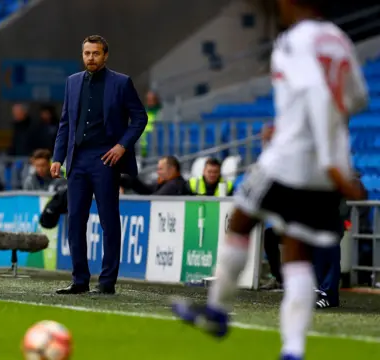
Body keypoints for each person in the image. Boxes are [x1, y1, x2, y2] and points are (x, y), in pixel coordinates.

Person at [171, 1, 369, 359]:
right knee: (297, 255)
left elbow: (316, 94)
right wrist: (327, 153)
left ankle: (217, 311)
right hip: (320, 172)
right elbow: (356, 97)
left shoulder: (294, 41)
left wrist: (322, 151)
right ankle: (293, 350)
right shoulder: (338, 40)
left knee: (240, 221)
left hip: (288, 160)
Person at [51, 35, 147, 295]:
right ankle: (79, 280)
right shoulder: (72, 83)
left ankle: (107, 282)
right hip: (77, 159)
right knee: (75, 220)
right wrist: (57, 157)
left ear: (105, 56)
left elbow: (140, 118)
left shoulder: (121, 82)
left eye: (95, 53)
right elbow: (65, 124)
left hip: (106, 158)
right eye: (86, 53)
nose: (90, 58)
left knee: (108, 220)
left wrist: (122, 146)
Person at [121, 155, 188, 195]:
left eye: (161, 169)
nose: (158, 172)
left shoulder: (175, 185)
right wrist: (133, 181)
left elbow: (153, 199)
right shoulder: (166, 182)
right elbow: (148, 190)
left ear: (172, 169)